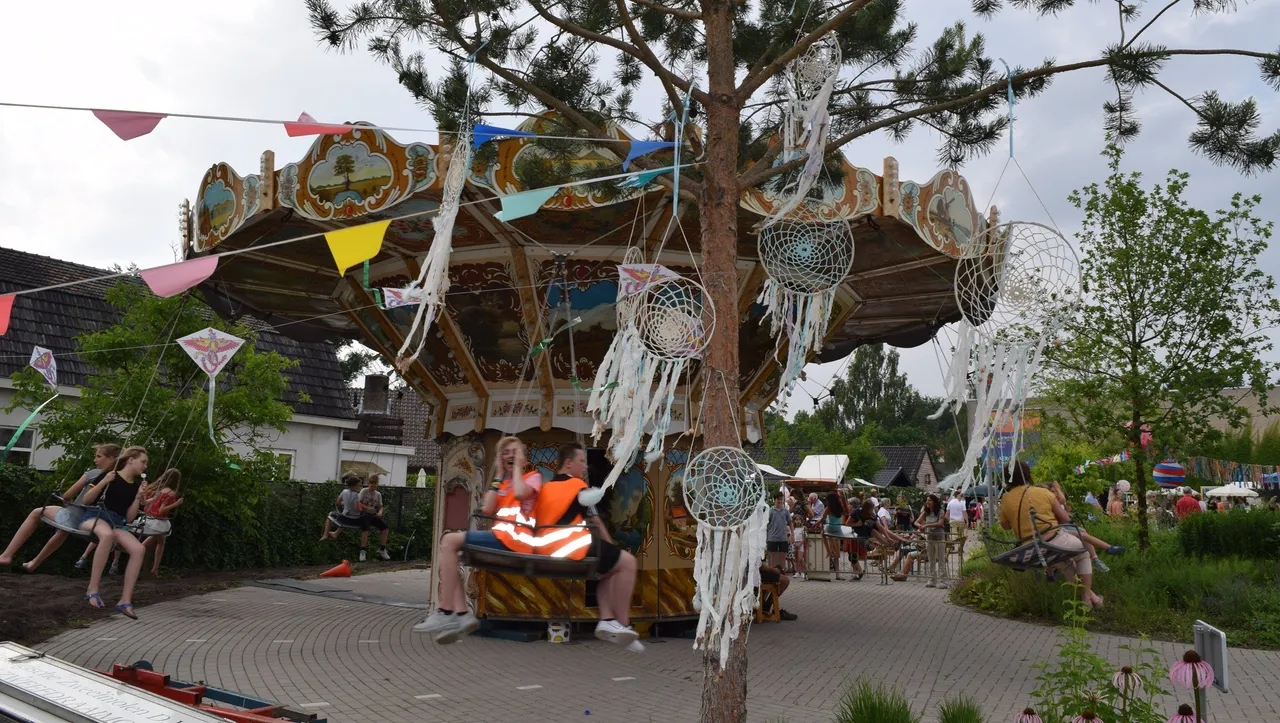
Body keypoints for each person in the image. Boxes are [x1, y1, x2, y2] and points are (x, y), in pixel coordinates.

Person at [414, 436, 541, 643]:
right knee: (450, 551)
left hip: (518, 539)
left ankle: (447, 612)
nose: (510, 455)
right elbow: (488, 508)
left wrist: (517, 467)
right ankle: (462, 615)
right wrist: (498, 475)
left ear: (524, 458)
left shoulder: (533, 478)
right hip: (503, 537)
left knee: (449, 542)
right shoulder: (504, 483)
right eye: (506, 452)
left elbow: (520, 493)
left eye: (515, 451)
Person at [1, 443, 121, 571]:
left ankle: (7, 555)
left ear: (110, 458)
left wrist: (66, 498)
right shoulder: (122, 479)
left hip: (78, 518)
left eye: (98, 456)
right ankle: (34, 563)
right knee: (63, 530)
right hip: (99, 523)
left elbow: (68, 496)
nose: (95, 460)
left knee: (36, 513)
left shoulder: (94, 473)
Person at [999, 460, 1102, 609]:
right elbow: (1065, 519)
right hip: (1051, 540)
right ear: (1028, 474)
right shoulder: (1043, 493)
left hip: (1028, 546)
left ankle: (1095, 600)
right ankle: (1087, 600)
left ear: (1007, 478)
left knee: (1065, 563)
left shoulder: (1006, 499)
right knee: (1083, 552)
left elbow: (1006, 526)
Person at [80, 446, 149, 619]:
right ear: (131, 459)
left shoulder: (135, 487)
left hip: (116, 523)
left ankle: (125, 601)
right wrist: (103, 482)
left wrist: (138, 498)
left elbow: (130, 518)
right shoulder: (110, 475)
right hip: (94, 517)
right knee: (107, 535)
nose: (145, 466)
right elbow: (87, 500)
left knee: (139, 549)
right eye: (143, 462)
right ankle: (92, 589)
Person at [141, 468, 184, 577]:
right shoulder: (170, 493)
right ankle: (155, 568)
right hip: (158, 521)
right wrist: (176, 504)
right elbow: (162, 510)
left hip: (147, 518)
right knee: (161, 542)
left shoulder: (153, 488)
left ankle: (152, 566)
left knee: (159, 539)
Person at [914, 494, 947, 588]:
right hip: (929, 538)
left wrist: (926, 525)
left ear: (934, 502)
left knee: (941, 559)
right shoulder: (925, 512)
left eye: (930, 500)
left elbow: (940, 523)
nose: (927, 502)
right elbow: (916, 522)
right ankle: (932, 579)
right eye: (927, 500)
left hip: (939, 538)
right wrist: (919, 526)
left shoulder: (940, 511)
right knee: (931, 559)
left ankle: (942, 580)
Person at [356, 475, 392, 562]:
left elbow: (380, 506)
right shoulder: (364, 491)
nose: (373, 488)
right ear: (368, 484)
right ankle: (363, 550)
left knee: (385, 528)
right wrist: (367, 508)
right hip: (364, 514)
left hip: (373, 514)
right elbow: (358, 503)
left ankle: (382, 549)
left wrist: (380, 512)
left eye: (375, 487)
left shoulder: (378, 494)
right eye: (371, 486)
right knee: (365, 529)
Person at [320, 475, 364, 540]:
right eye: (358, 485)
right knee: (346, 514)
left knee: (331, 514)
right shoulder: (357, 495)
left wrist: (345, 503)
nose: (359, 486)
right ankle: (335, 533)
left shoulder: (344, 492)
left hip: (344, 519)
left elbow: (338, 503)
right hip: (355, 520)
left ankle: (325, 535)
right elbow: (358, 509)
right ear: (353, 485)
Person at [765, 489, 790, 571]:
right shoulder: (770, 511)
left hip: (783, 536)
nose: (779, 501)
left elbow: (790, 522)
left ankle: (782, 569)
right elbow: (766, 523)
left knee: (783, 554)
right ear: (774, 500)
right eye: (778, 499)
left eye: (781, 499)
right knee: (773, 554)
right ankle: (773, 570)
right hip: (772, 536)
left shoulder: (785, 511)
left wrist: (791, 534)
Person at [821, 490, 845, 576]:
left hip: (830, 528)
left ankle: (828, 551)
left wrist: (817, 524)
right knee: (837, 552)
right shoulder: (840, 507)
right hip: (838, 529)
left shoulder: (829, 508)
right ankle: (837, 573)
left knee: (823, 534)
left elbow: (822, 518)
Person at [790, 511, 807, 579]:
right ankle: (797, 572)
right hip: (794, 544)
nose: (798, 521)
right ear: (794, 521)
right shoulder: (793, 529)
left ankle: (802, 572)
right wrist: (794, 543)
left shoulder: (803, 528)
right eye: (796, 520)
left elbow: (804, 538)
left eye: (799, 520)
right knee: (795, 559)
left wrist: (800, 544)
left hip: (800, 545)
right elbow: (791, 537)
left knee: (800, 559)